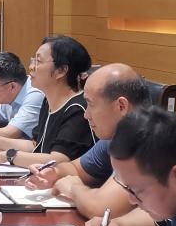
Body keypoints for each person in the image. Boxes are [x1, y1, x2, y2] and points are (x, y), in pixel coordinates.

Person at [26, 63, 146, 217]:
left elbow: (101, 209)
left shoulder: (146, 141)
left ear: (121, 106)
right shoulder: (114, 138)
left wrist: (74, 188)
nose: (86, 114)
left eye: (90, 104)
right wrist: (53, 173)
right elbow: (76, 169)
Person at [0, 35, 93, 166]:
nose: (31, 67)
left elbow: (58, 160)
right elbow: (34, 145)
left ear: (61, 71)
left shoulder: (78, 109)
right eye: (33, 60)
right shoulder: (48, 102)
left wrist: (7, 156)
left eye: (38, 61)